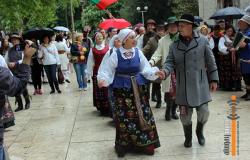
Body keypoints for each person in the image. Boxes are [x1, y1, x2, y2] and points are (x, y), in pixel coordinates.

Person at [158, 14, 219, 148]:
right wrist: (164, 71)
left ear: (191, 26)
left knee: (204, 112)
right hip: (183, 85)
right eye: (178, 26)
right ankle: (188, 136)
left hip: (200, 83)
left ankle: (199, 131)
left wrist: (214, 79)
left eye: (181, 26)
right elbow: (169, 62)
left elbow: (211, 60)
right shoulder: (175, 45)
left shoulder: (202, 41)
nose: (179, 28)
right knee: (185, 115)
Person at [98, 28, 161, 157]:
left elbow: (145, 69)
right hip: (122, 91)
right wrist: (103, 79)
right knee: (124, 116)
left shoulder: (138, 52)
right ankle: (124, 144)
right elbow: (106, 70)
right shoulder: (115, 54)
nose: (134, 40)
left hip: (138, 89)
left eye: (134, 37)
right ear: (125, 40)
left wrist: (155, 73)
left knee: (143, 114)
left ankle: (146, 142)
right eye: (132, 37)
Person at [0, 40, 36, 160]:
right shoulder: (9, 52)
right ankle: (20, 104)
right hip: (14, 77)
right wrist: (27, 58)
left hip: (13, 75)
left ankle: (26, 103)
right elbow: (18, 86)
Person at [149, 16, 179, 121]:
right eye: (170, 26)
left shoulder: (183, 38)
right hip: (168, 70)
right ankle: (168, 110)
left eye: (175, 26)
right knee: (169, 93)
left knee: (178, 93)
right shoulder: (163, 40)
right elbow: (158, 54)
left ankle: (174, 111)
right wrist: (151, 62)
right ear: (168, 28)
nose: (173, 28)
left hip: (180, 70)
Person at [142, 24, 167, 108]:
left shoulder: (168, 39)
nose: (161, 32)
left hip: (167, 65)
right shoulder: (151, 40)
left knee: (168, 84)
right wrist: (137, 54)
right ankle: (159, 101)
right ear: (156, 31)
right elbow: (145, 49)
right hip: (156, 66)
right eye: (159, 30)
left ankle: (168, 100)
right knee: (156, 85)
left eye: (162, 30)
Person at [5, 33, 31, 112]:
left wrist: (15, 63)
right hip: (14, 72)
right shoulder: (9, 50)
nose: (14, 41)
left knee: (23, 87)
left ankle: (27, 102)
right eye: (12, 40)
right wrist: (8, 64)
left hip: (24, 71)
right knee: (15, 88)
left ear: (19, 40)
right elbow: (6, 60)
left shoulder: (23, 48)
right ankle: (20, 105)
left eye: (16, 39)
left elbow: (24, 58)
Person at [87, 32, 110, 116]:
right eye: (97, 37)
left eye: (101, 36)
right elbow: (90, 62)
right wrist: (88, 73)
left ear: (103, 37)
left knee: (106, 88)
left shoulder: (108, 47)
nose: (99, 38)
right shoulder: (92, 49)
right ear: (95, 39)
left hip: (106, 70)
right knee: (98, 89)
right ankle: (100, 107)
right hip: (96, 71)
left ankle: (108, 106)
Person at [218, 25, 242, 91]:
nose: (229, 32)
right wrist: (228, 49)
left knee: (236, 71)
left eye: (231, 31)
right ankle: (228, 86)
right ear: (225, 31)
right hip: (226, 58)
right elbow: (220, 47)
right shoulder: (222, 38)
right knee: (227, 71)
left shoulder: (234, 37)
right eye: (228, 31)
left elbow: (239, 45)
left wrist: (236, 49)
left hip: (235, 57)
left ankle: (237, 86)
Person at [235, 15, 250, 100]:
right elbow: (237, 44)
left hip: (248, 57)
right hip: (243, 57)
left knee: (249, 76)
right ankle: (247, 92)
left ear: (247, 23)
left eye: (241, 22)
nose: (239, 24)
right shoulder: (241, 33)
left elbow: (246, 45)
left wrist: (247, 45)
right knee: (245, 76)